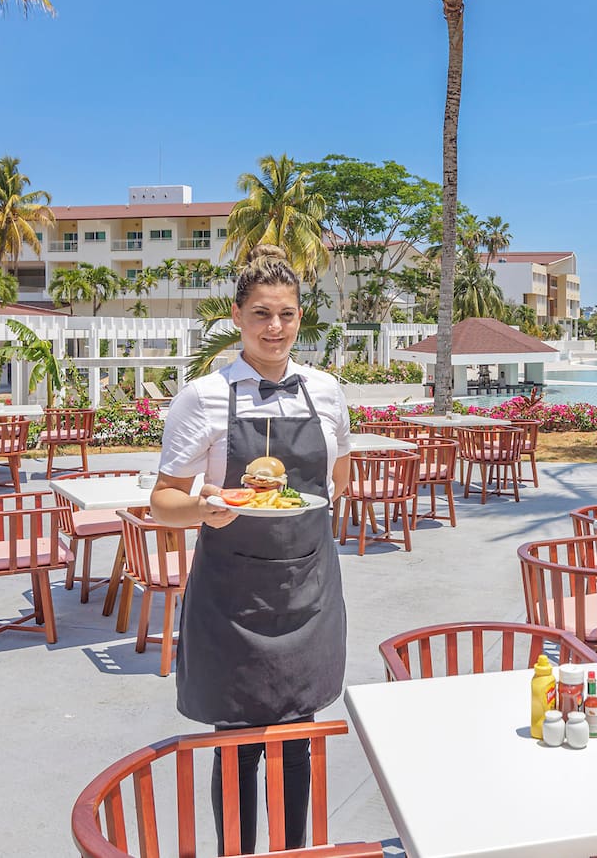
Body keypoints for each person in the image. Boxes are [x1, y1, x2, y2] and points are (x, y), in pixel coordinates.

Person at [151, 244, 352, 854]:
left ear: (300, 317)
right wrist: (207, 507)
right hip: (233, 597)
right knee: (236, 748)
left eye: (287, 314)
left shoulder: (326, 391)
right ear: (237, 315)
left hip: (308, 589)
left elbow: (336, 481)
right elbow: (163, 501)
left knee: (299, 744)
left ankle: (293, 851)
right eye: (262, 313)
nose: (275, 327)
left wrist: (308, 505)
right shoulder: (202, 396)